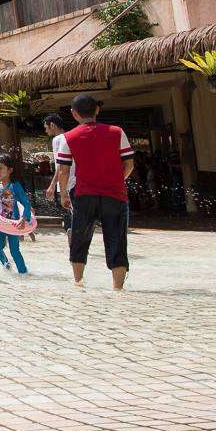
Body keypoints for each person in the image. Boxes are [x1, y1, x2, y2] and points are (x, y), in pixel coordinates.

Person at [54, 94, 133, 290]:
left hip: (84, 194)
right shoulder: (117, 132)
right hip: (115, 195)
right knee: (116, 238)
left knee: (80, 238)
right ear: (97, 110)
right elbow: (129, 164)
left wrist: (63, 194)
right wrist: (117, 180)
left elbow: (63, 170)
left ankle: (78, 282)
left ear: (74, 114)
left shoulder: (68, 138)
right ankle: (118, 287)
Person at [0, 153, 32, 275]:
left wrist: (23, 219)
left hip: (13, 223)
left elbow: (26, 204)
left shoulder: (15, 185)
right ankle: (6, 264)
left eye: (1, 168)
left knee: (14, 250)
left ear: (10, 170)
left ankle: (23, 273)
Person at [44, 113, 75, 229]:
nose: (46, 131)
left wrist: (52, 185)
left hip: (65, 184)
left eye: (46, 128)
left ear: (52, 125)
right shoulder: (71, 137)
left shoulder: (57, 139)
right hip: (76, 183)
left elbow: (60, 166)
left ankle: (72, 246)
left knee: (68, 221)